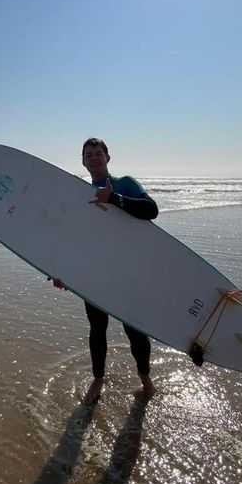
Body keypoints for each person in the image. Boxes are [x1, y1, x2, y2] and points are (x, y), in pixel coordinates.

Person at [51, 138, 159, 404]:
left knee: (135, 329)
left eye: (98, 153)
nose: (94, 158)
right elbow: (74, 240)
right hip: (95, 272)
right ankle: (98, 380)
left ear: (108, 158)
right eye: (89, 155)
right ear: (83, 161)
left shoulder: (125, 184)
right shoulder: (78, 194)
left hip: (127, 270)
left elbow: (151, 210)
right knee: (97, 328)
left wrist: (113, 198)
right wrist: (62, 271)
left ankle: (146, 379)